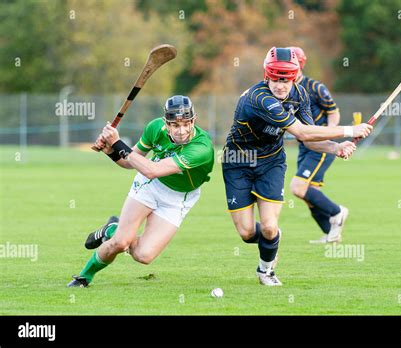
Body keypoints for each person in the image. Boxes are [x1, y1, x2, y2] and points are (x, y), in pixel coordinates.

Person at [221, 47, 372, 286]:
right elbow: (300, 131)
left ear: (294, 77)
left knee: (269, 227)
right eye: (276, 78)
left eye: (286, 79)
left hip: (271, 162)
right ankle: (272, 242)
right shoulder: (259, 98)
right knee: (247, 233)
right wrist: (349, 130)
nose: (281, 85)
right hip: (237, 162)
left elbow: (307, 138)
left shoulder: (300, 95)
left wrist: (336, 148)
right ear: (266, 76)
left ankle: (266, 271)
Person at [67, 95, 214, 287]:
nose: (181, 131)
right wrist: (110, 150)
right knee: (120, 243)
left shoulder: (202, 147)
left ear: (193, 120)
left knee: (144, 256)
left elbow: (152, 170)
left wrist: (117, 143)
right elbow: (130, 162)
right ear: (166, 123)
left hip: (179, 197)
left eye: (186, 124)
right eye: (175, 125)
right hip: (149, 187)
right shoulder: (155, 128)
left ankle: (111, 229)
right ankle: (84, 277)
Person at [288, 46, 348, 244]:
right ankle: (331, 233)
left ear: (300, 65)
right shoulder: (284, 89)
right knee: (310, 194)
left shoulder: (315, 87)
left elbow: (334, 112)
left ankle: (338, 211)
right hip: (304, 145)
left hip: (321, 144)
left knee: (298, 187)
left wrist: (328, 134)